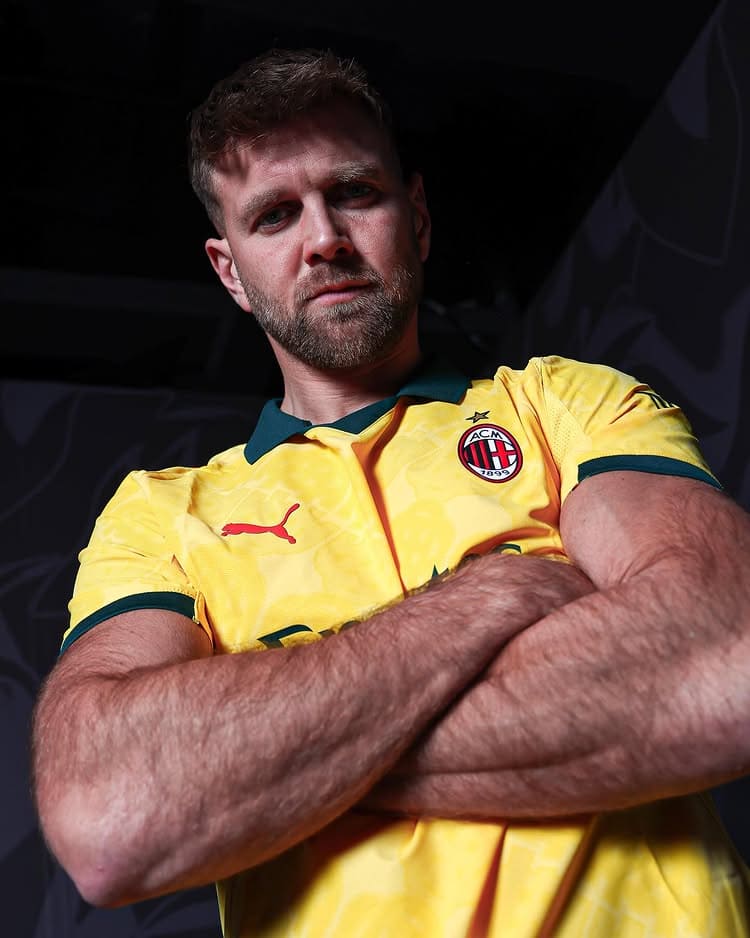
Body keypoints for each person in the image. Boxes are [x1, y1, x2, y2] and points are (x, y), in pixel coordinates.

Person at [31, 47, 750, 938]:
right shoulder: (163, 514)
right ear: (230, 271)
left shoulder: (565, 405)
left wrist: (271, 760)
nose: (324, 238)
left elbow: (730, 655)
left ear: (417, 219)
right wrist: (497, 594)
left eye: (355, 193)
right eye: (275, 215)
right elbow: (109, 811)